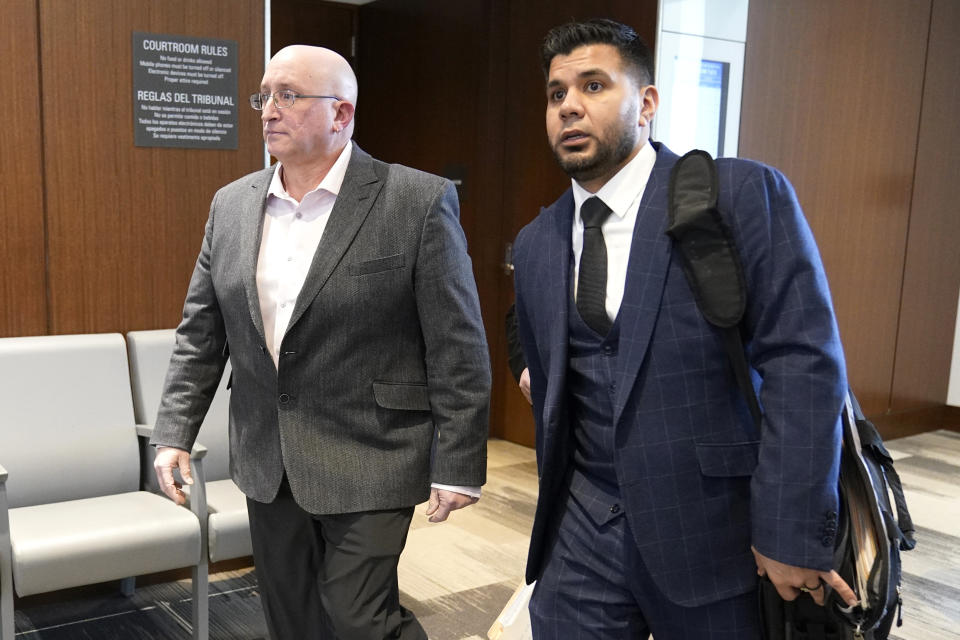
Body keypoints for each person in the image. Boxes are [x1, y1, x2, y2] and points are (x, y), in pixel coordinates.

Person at [512, 19, 859, 639]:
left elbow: (803, 361)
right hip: (582, 527)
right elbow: (533, 333)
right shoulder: (538, 241)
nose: (568, 106)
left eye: (593, 85)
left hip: (717, 532)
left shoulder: (739, 195)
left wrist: (789, 530)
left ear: (645, 103)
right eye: (555, 93)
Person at [150, 45, 491, 640]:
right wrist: (175, 432)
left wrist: (459, 460)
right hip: (267, 452)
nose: (267, 110)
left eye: (289, 95)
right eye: (264, 95)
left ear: (342, 114)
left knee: (359, 616)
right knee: (292, 617)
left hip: (374, 449)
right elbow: (201, 333)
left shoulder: (415, 200)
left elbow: (456, 342)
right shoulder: (231, 205)